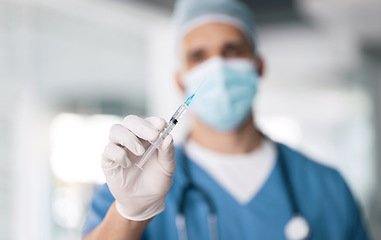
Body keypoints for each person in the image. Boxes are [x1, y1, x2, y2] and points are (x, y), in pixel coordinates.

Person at [82, 0, 369, 239]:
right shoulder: (134, 179)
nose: (216, 67)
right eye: (198, 56)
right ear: (180, 80)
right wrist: (129, 214)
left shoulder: (326, 186)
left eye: (232, 50)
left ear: (258, 66)